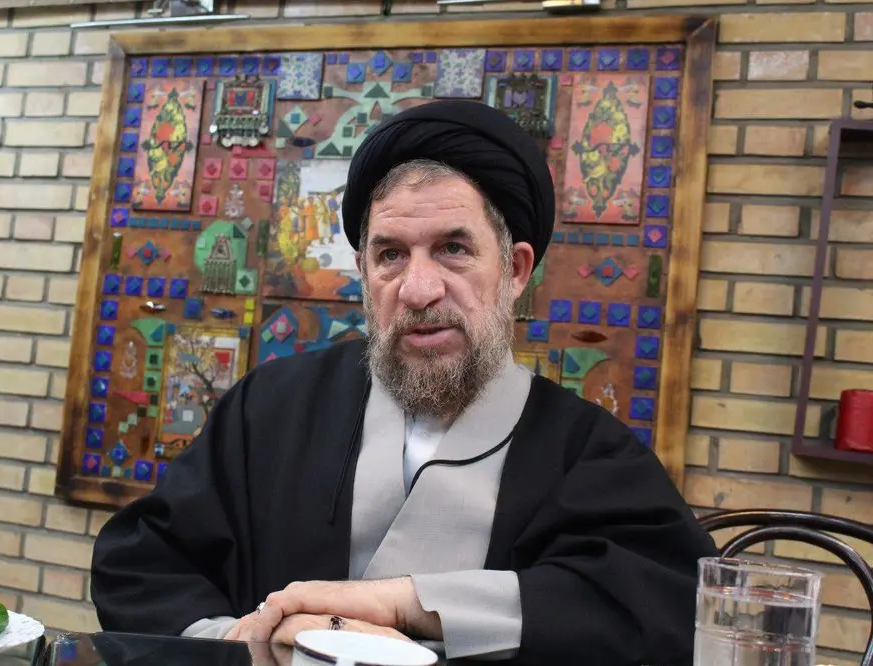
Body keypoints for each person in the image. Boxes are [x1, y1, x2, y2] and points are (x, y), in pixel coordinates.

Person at [90, 100, 719, 665]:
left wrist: (407, 603)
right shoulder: (273, 407)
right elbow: (145, 563)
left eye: (452, 249)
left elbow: (667, 607)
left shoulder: (587, 453)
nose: (418, 290)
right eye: (391, 255)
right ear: (364, 274)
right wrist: (239, 648)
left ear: (515, 269)